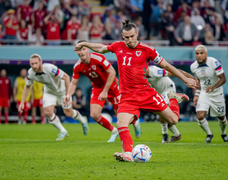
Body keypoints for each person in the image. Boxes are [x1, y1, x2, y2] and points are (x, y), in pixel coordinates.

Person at [74, 20, 197, 162]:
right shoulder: (118, 46)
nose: (130, 40)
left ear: (137, 33)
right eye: (126, 37)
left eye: (132, 36)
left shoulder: (147, 49)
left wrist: (184, 79)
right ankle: (127, 153)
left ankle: (173, 98)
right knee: (121, 123)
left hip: (146, 93)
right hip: (127, 96)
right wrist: (85, 44)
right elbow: (101, 48)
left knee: (173, 120)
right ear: (122, 36)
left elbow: (167, 66)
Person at [65, 40, 127, 142]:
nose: (81, 52)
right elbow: (73, 83)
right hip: (98, 88)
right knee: (94, 114)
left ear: (88, 49)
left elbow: (112, 72)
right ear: (76, 51)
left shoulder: (98, 58)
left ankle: (134, 125)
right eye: (79, 50)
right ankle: (114, 131)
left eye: (84, 49)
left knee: (120, 115)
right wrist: (68, 95)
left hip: (112, 85)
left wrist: (105, 91)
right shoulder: (77, 66)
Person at [18, 54, 88, 140]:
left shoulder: (50, 68)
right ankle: (63, 131)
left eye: (36, 63)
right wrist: (22, 103)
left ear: (40, 62)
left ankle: (83, 120)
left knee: (68, 113)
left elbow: (66, 77)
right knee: (47, 112)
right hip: (49, 91)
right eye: (32, 64)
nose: (34, 66)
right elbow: (27, 86)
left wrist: (68, 96)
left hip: (62, 91)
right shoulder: (31, 73)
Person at [191, 45, 228, 143]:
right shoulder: (193, 67)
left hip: (217, 93)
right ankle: (209, 134)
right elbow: (199, 82)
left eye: (201, 53)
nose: (199, 56)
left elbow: (223, 79)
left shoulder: (214, 62)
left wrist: (214, 87)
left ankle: (223, 133)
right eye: (197, 53)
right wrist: (197, 94)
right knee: (200, 116)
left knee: (221, 117)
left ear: (206, 54)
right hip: (204, 93)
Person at [146, 65, 191, 143]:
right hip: (159, 92)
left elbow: (176, 71)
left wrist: (190, 78)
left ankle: (165, 136)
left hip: (168, 89)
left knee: (162, 114)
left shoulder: (154, 71)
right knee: (166, 117)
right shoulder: (140, 75)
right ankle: (177, 135)